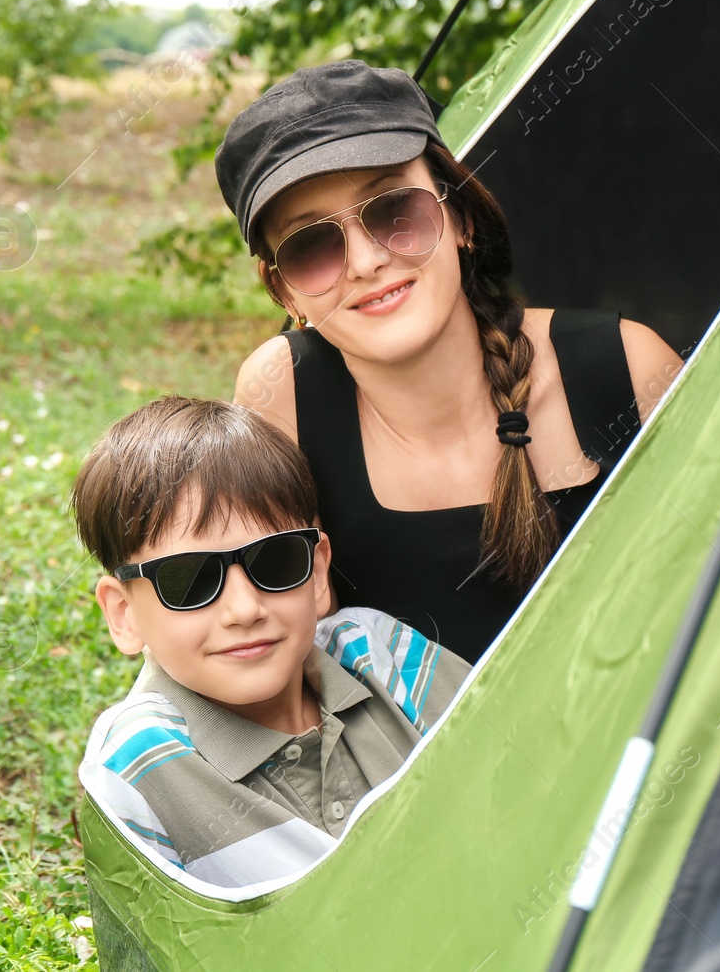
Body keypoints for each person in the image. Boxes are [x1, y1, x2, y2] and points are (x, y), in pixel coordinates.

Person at [218, 59, 685, 664]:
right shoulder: (283, 393)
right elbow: (266, 643)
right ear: (284, 293)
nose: (364, 262)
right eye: (312, 246)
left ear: (460, 215)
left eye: (393, 211)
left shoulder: (621, 363)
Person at [72, 396, 471, 889]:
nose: (245, 609)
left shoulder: (383, 655)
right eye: (190, 580)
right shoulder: (138, 767)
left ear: (320, 573)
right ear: (123, 613)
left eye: (276, 561)